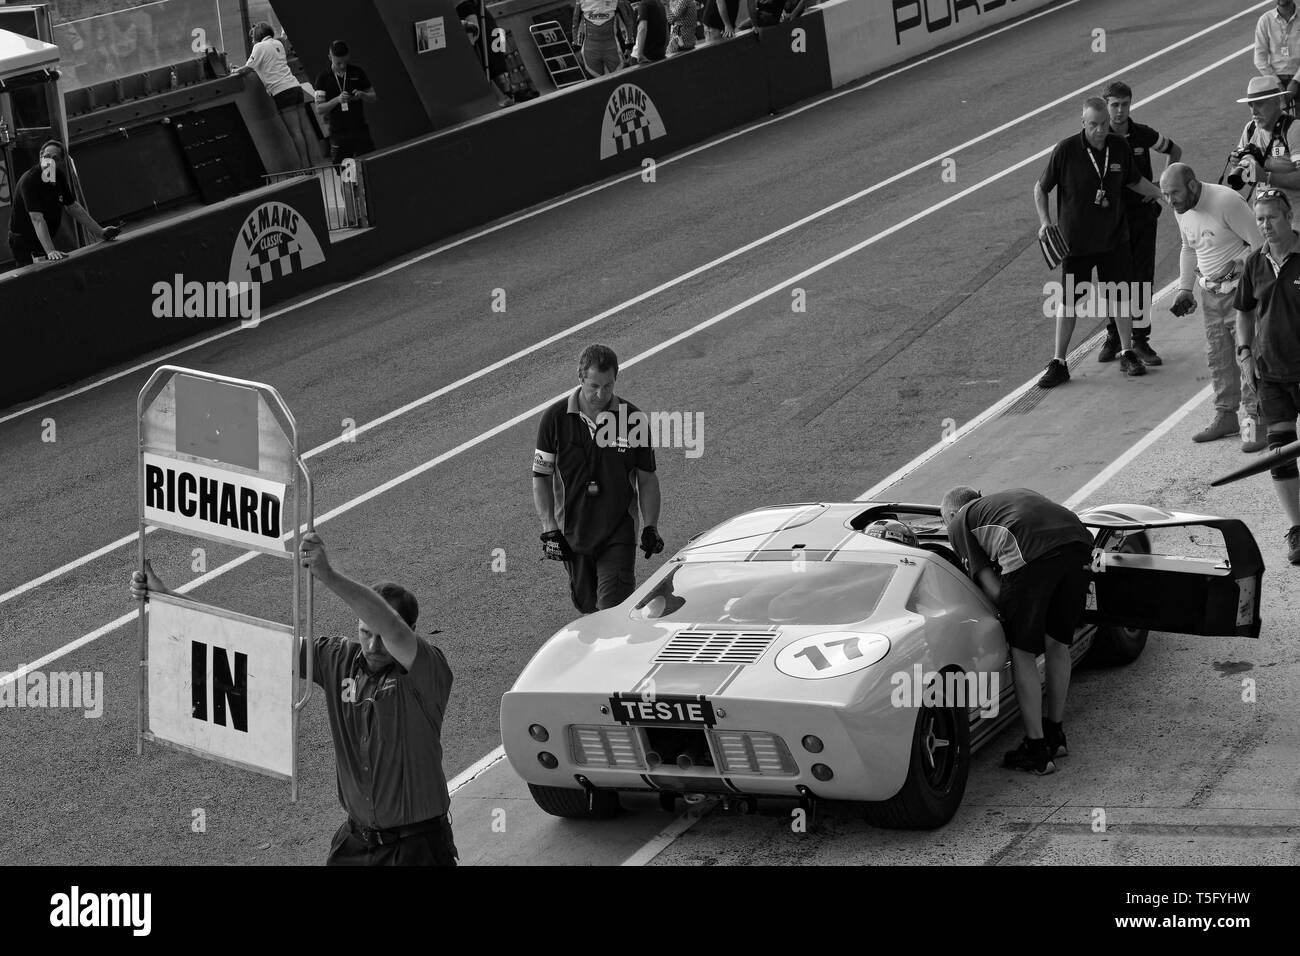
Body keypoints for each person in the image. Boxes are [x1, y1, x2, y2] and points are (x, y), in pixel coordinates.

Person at [130, 533, 458, 865]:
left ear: (412, 630)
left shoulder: (427, 672)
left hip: (416, 848)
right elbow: (254, 640)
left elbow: (393, 627)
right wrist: (168, 600)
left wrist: (326, 574)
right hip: (357, 844)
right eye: (364, 633)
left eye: (381, 637)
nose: (372, 646)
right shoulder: (336, 659)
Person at [941, 486, 1094, 775]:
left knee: (1022, 652)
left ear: (950, 513)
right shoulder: (1009, 498)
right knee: (1057, 643)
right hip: (1079, 541)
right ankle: (1055, 736)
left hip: (1030, 552)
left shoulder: (960, 521)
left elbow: (993, 589)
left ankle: (1036, 751)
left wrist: (1011, 610)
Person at [1033, 97, 1165, 388]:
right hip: (1076, 245)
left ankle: (1127, 351)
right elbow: (1040, 189)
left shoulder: (1119, 146)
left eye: (1104, 124)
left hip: (1114, 239)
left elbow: (1134, 181)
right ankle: (1059, 362)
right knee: (1068, 302)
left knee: (1120, 297)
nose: (1100, 130)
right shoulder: (1066, 150)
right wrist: (1045, 222)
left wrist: (1161, 194)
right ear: (1083, 123)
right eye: (1093, 125)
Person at [533, 344, 664, 614]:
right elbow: (541, 476)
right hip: (574, 533)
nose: (601, 394)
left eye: (608, 386)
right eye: (594, 385)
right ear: (580, 377)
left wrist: (650, 526)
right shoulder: (554, 420)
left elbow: (647, 478)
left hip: (618, 531)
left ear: (616, 379)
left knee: (611, 611)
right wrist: (549, 527)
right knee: (587, 608)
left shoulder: (633, 419)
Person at [1161, 163, 1266, 450]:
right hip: (1210, 296)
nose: (1171, 201)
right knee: (1218, 356)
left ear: (1193, 185)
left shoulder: (1226, 201)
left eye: (1175, 194)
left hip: (1241, 293)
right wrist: (1185, 288)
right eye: (1166, 195)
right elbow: (1188, 247)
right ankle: (1226, 415)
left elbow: (1260, 245)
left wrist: (1242, 267)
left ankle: (1256, 421)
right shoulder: (1181, 209)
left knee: (1247, 356)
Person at [1234, 187, 1300, 565]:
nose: (1265, 225)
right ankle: (1297, 528)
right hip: (1271, 376)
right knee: (1280, 454)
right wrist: (1244, 352)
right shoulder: (1254, 262)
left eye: (1271, 217)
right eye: (1259, 219)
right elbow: (1243, 310)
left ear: (1288, 217)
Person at [1102, 81, 1181, 366]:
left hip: (1143, 217)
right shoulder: (1100, 136)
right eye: (1114, 105)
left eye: (1125, 104)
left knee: (1142, 277)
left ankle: (1140, 340)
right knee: (1113, 278)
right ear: (1106, 105)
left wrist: (1161, 183)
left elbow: (1175, 150)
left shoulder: (1142, 134)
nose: (1120, 111)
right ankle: (1113, 335)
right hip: (1112, 221)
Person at [6, 140, 116, 267]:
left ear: (60, 162)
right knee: (33, 279)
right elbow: (37, 219)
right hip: (23, 241)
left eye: (55, 158)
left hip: (41, 238)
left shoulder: (58, 176)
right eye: (46, 157)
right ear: (40, 157)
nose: (49, 161)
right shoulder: (29, 181)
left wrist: (100, 232)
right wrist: (50, 251)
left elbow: (73, 206)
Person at [234, 22, 311, 167]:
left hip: (282, 92)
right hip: (295, 87)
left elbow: (247, 68)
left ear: (257, 36)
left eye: (252, 39)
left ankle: (305, 167)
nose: (252, 42)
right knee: (304, 128)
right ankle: (311, 163)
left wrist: (235, 71)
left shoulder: (259, 47)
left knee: (295, 132)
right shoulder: (278, 44)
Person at [1228, 76, 1300, 214]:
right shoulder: (1250, 129)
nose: (1253, 111)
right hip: (1263, 217)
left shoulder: (1294, 130)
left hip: (1294, 218)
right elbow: (1240, 171)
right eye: (1251, 105)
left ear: (1276, 102)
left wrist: (1267, 177)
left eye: (1259, 104)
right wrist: (1236, 161)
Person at [314, 41, 377, 164]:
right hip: (338, 133)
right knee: (344, 172)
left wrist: (362, 94)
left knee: (370, 165)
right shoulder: (322, 78)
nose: (343, 66)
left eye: (345, 62)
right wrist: (337, 100)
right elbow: (320, 109)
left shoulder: (357, 72)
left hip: (360, 129)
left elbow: (373, 96)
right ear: (330, 57)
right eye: (338, 63)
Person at [456, 0, 514, 106]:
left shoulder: (465, 6)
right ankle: (505, 92)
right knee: (493, 58)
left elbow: (474, 32)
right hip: (487, 31)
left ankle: (505, 93)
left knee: (492, 59)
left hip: (486, 34)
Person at [1255, 0, 1300, 105]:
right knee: (1274, 117)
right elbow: (1259, 58)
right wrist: (1276, 83)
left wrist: (1296, 81)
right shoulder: (1265, 20)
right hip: (1276, 78)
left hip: (1298, 75)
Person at [573, 0, 634, 76]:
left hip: (612, 48)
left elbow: (626, 23)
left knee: (620, 79)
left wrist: (630, 46)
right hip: (590, 50)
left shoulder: (618, 2)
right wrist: (577, 48)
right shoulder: (581, 1)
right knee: (596, 83)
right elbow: (576, 24)